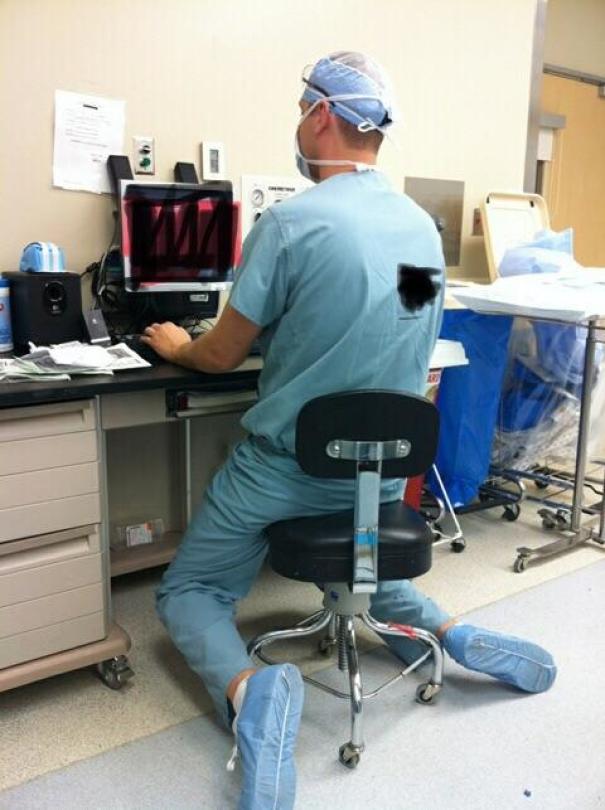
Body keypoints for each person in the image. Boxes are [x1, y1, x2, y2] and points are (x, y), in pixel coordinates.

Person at [142, 51, 557, 810]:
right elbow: (414, 328)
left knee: (190, 590)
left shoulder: (290, 224)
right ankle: (456, 637)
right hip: (373, 469)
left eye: (302, 109)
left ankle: (249, 690)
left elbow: (222, 350)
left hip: (284, 466)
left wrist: (175, 346)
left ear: (320, 114)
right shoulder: (418, 230)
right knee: (369, 577)